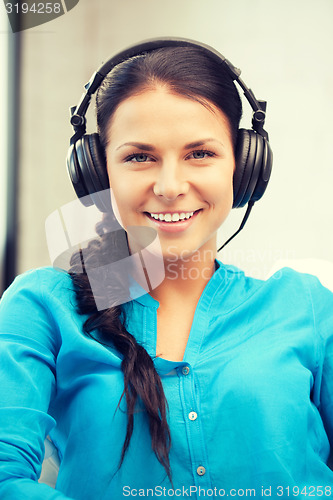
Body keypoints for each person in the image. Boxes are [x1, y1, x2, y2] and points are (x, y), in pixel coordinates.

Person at [0, 37, 333, 500]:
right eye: (140, 157)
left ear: (244, 166)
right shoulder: (42, 308)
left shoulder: (308, 307)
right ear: (98, 173)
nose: (171, 185)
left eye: (200, 153)